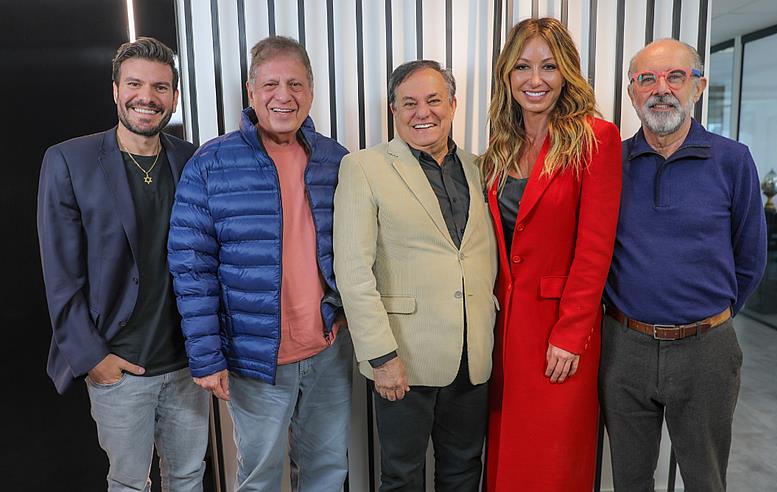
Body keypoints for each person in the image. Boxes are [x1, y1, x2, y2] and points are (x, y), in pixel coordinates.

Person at [168, 36, 352, 492]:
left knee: (328, 472)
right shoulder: (211, 162)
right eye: (271, 84)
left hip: (328, 350)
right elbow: (191, 267)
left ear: (311, 91)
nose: (283, 96)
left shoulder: (335, 160)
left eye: (295, 84)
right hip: (255, 358)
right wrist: (206, 357)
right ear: (251, 92)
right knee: (260, 477)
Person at [37, 37, 208, 491]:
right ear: (115, 90)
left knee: (189, 476)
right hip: (120, 366)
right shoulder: (69, 160)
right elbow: (60, 275)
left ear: (174, 96)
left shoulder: (191, 159)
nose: (146, 97)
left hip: (187, 365)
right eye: (134, 84)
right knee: (129, 483)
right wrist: (95, 359)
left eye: (160, 87)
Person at [601, 38, 767, 492]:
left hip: (706, 350)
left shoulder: (733, 160)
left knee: (705, 479)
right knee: (630, 479)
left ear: (698, 87)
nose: (662, 89)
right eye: (647, 79)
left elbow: (751, 257)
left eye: (675, 76)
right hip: (623, 348)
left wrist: (710, 318)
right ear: (632, 92)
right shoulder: (610, 163)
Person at [333, 60, 498, 491]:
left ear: (453, 105)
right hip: (403, 356)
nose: (422, 112)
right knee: (402, 476)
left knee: (464, 470)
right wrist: (380, 356)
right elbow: (352, 271)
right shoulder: (364, 167)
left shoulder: (481, 168)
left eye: (433, 100)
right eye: (409, 103)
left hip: (472, 355)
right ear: (393, 110)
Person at [480, 18, 622, 491]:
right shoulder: (501, 144)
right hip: (503, 329)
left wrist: (572, 333)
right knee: (508, 454)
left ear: (566, 73)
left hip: (558, 332)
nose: (534, 79)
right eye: (522, 67)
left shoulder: (596, 138)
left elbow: (595, 247)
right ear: (507, 75)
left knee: (551, 460)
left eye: (548, 66)